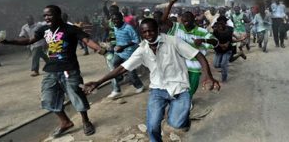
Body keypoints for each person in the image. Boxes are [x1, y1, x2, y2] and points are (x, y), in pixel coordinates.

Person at [81, 18, 220, 142]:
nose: (148, 35)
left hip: (180, 88)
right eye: (144, 32)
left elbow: (198, 55)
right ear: (141, 33)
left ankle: (183, 120)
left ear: (158, 30)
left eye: (151, 31)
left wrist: (208, 76)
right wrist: (98, 82)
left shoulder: (173, 41)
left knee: (176, 123)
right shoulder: (142, 50)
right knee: (152, 126)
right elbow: (123, 68)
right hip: (157, 90)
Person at [0, 5, 105, 137]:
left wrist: (99, 49)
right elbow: (29, 41)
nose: (46, 18)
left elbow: (86, 40)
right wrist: (8, 42)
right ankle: (65, 122)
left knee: (77, 95)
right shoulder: (43, 29)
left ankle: (86, 121)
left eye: (49, 15)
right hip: (51, 70)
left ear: (58, 15)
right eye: (45, 16)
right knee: (48, 98)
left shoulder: (71, 29)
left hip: (69, 69)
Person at [107, 12, 144, 98]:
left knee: (131, 73)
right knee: (113, 66)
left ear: (121, 19)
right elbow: (116, 38)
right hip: (118, 53)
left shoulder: (128, 28)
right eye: (113, 20)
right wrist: (111, 41)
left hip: (129, 53)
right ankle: (117, 89)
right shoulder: (115, 28)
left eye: (116, 19)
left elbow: (136, 40)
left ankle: (139, 85)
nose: (114, 21)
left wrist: (124, 46)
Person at [212, 16, 246, 82]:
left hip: (229, 48)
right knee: (217, 65)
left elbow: (232, 37)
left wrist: (239, 39)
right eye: (220, 22)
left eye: (223, 22)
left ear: (225, 23)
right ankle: (239, 54)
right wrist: (220, 45)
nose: (221, 24)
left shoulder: (230, 29)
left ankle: (224, 78)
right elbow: (213, 39)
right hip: (219, 49)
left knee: (225, 63)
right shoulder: (215, 30)